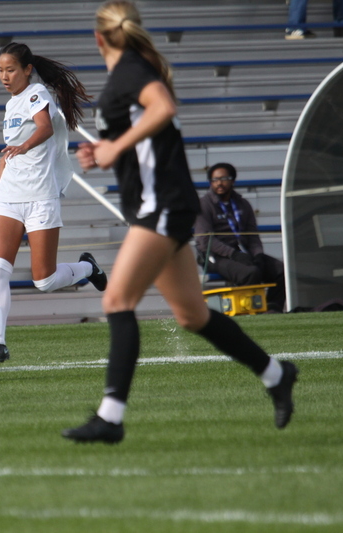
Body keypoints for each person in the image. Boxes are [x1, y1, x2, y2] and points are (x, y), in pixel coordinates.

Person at [62, 1, 299, 444]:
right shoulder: (128, 73)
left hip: (163, 206)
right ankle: (276, 374)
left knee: (116, 300)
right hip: (159, 205)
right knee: (192, 315)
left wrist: (114, 147)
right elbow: (143, 137)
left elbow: (163, 107)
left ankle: (111, 417)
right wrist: (103, 151)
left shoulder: (131, 70)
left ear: (98, 38)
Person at [0, 42, 107, 365]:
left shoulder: (37, 93)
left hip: (40, 197)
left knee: (45, 281)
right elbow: (14, 142)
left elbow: (45, 128)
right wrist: (6, 160)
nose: (4, 76)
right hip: (9, 196)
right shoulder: (11, 103)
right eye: (0, 70)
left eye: (10, 70)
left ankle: (88, 267)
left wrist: (23, 147)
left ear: (27, 70)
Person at [194, 162, 286, 313]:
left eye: (224, 179)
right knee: (250, 272)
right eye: (215, 180)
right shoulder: (204, 205)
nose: (219, 183)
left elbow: (252, 235)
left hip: (243, 252)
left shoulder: (243, 204)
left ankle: (272, 309)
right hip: (215, 255)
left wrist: (258, 254)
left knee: (281, 270)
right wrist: (234, 254)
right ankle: (250, 311)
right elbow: (205, 241)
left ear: (233, 180)